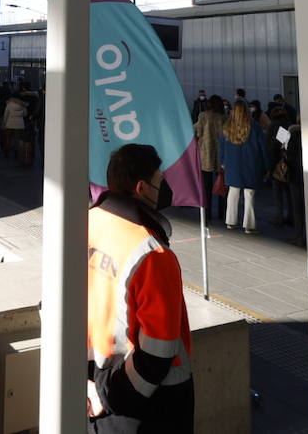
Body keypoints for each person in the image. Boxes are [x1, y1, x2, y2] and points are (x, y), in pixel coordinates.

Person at [87, 144, 193, 430]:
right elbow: (158, 352)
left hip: (91, 384)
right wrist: (105, 394)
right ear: (141, 188)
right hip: (145, 406)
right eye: (160, 181)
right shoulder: (153, 254)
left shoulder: (85, 224)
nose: (165, 188)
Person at [219, 100, 268, 234]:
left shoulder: (227, 127)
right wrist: (266, 166)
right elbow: (262, 148)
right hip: (251, 165)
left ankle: (230, 221)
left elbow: (221, 147)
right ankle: (249, 225)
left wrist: (222, 162)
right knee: (249, 194)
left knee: (233, 193)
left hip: (232, 165)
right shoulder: (254, 126)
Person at [192, 100, 223, 228]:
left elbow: (198, 132)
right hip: (221, 154)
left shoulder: (203, 115)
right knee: (222, 184)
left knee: (207, 186)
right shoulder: (223, 117)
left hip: (206, 154)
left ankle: (207, 213)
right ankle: (223, 212)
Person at [2, 89, 28, 161]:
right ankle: (16, 153)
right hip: (19, 124)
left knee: (8, 139)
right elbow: (25, 114)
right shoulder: (23, 105)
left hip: (10, 123)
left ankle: (7, 153)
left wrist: (4, 122)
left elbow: (6, 114)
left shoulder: (9, 104)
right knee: (17, 139)